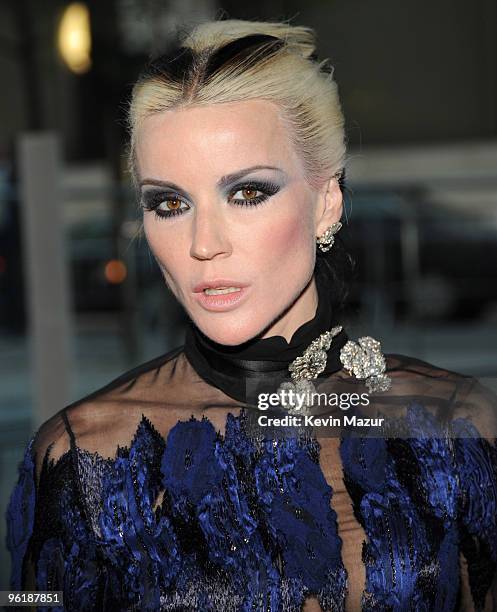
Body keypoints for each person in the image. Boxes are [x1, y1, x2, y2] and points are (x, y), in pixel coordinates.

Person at [5, 19, 497, 612]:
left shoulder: (453, 424)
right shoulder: (82, 452)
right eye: (169, 202)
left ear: (326, 202)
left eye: (246, 194)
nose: (203, 243)